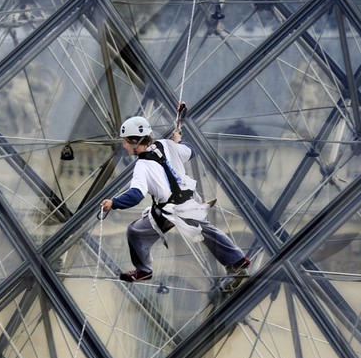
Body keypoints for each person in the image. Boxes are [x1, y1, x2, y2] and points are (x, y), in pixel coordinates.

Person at [100, 113, 251, 283]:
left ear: (135, 142)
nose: (124, 146)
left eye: (125, 142)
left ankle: (143, 270)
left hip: (166, 211)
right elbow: (191, 150)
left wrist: (113, 203)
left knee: (135, 231)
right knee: (204, 228)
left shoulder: (142, 167)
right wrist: (178, 141)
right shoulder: (165, 145)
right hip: (188, 202)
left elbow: (135, 195)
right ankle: (237, 260)